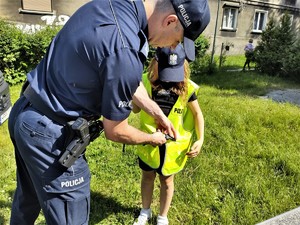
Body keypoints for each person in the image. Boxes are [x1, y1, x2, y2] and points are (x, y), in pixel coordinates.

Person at [8, 0, 210, 224]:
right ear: (170, 21)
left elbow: (125, 78)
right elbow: (116, 130)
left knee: (27, 199)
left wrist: (156, 113)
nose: (173, 46)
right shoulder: (126, 48)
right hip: (51, 136)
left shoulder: (116, 6)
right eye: (177, 40)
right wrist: (151, 138)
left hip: (26, 111)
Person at [132, 44, 205, 225]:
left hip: (173, 147)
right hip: (149, 142)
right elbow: (134, 109)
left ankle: (163, 216)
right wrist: (133, 92)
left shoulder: (186, 87)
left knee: (167, 181)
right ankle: (145, 211)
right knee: (147, 176)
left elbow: (197, 114)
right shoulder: (145, 82)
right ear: (155, 63)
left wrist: (200, 139)